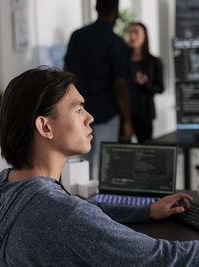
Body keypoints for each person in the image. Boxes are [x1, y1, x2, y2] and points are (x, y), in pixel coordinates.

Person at [0, 67, 199, 266]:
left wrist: (145, 211)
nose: (89, 117)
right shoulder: (67, 216)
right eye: (77, 110)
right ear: (45, 127)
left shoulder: (5, 186)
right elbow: (164, 259)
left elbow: (76, 211)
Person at [64, 0, 132, 180]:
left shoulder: (77, 36)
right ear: (115, 11)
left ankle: (80, 206)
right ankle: (102, 207)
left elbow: (66, 73)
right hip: (107, 112)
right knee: (106, 167)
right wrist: (127, 120)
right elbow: (120, 85)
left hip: (78, 111)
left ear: (95, 8)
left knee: (81, 166)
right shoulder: (116, 42)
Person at [124, 22, 164, 143]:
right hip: (124, 114)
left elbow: (160, 88)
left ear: (144, 36)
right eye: (130, 32)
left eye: (136, 32)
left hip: (144, 114)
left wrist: (145, 84)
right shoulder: (121, 61)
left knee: (145, 149)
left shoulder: (154, 61)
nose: (132, 36)